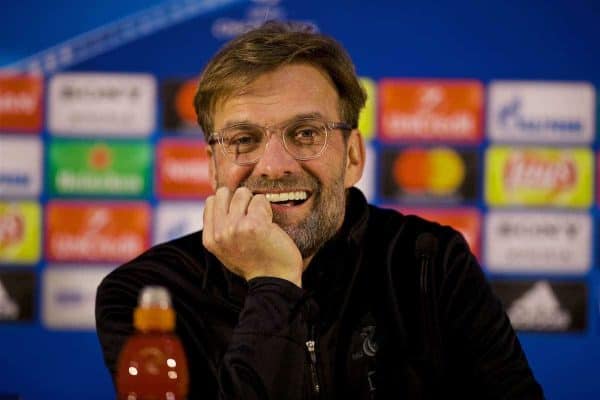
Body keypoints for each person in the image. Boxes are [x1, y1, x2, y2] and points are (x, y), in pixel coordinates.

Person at [96, 21, 544, 399]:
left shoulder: (430, 262)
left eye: (306, 133)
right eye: (244, 140)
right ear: (214, 164)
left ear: (353, 157)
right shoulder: (144, 293)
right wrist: (273, 284)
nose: (273, 166)